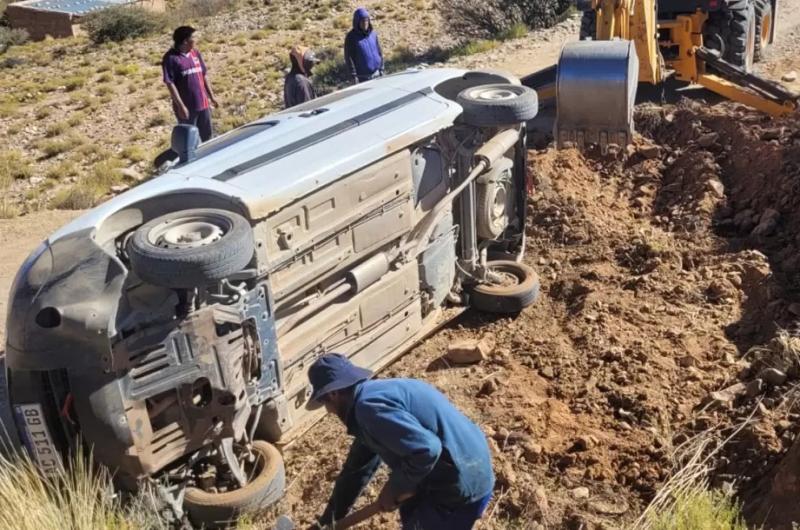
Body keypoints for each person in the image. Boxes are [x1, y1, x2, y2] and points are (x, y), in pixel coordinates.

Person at [307, 353, 494, 530]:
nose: (329, 411)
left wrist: (394, 488)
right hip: (463, 468)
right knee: (410, 511)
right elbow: (357, 470)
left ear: (333, 394)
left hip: (461, 485)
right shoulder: (374, 398)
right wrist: (327, 522)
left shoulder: (368, 409)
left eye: (325, 403)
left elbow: (427, 449)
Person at [162, 25, 218, 142]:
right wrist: (181, 106)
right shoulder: (170, 58)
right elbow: (170, 84)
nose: (195, 40)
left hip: (203, 104)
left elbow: (203, 75)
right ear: (185, 41)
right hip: (187, 109)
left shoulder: (195, 53)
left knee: (208, 138)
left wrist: (211, 96)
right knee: (190, 141)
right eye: (193, 38)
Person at [344, 7, 384, 84]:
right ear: (357, 22)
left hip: (378, 74)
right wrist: (353, 76)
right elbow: (349, 58)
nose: (365, 23)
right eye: (362, 20)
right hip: (363, 78)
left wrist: (381, 68)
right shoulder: (351, 37)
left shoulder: (373, 34)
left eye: (366, 20)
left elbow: (379, 51)